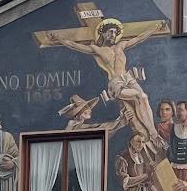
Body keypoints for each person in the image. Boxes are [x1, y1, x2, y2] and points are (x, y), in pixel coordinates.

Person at [44, 18, 166, 154]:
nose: (113, 35)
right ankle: (153, 134)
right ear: (103, 33)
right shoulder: (97, 50)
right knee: (139, 95)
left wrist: (155, 28)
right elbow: (74, 45)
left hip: (128, 78)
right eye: (110, 32)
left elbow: (139, 38)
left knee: (144, 97)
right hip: (116, 83)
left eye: (115, 32)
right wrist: (58, 38)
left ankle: (153, 133)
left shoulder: (121, 46)